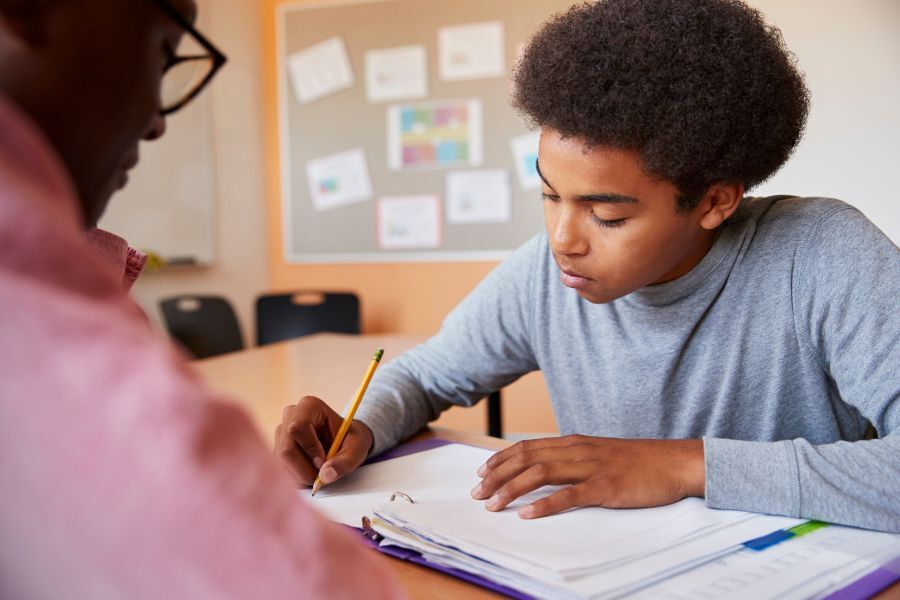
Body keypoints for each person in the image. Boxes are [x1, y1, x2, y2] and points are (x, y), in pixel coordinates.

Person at [276, 0, 899, 533]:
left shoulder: (823, 255)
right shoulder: (543, 277)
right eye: (549, 195)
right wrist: (360, 426)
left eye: (606, 215)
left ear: (714, 200)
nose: (562, 240)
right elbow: (424, 377)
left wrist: (681, 465)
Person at [0, 0, 404, 597]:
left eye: (601, 211)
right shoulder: (44, 329)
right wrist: (367, 423)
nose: (158, 121)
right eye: (163, 49)